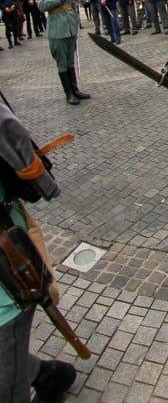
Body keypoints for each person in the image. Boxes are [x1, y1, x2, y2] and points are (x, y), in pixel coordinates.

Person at [0, 104, 78, 403]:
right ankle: (48, 375)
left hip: (6, 272)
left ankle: (46, 377)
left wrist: (42, 182)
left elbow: (8, 129)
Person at [36, 0, 91, 105]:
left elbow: (72, 1)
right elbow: (42, 6)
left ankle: (75, 89)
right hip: (57, 28)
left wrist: (75, 19)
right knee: (61, 62)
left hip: (70, 25)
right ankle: (68, 94)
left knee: (70, 60)